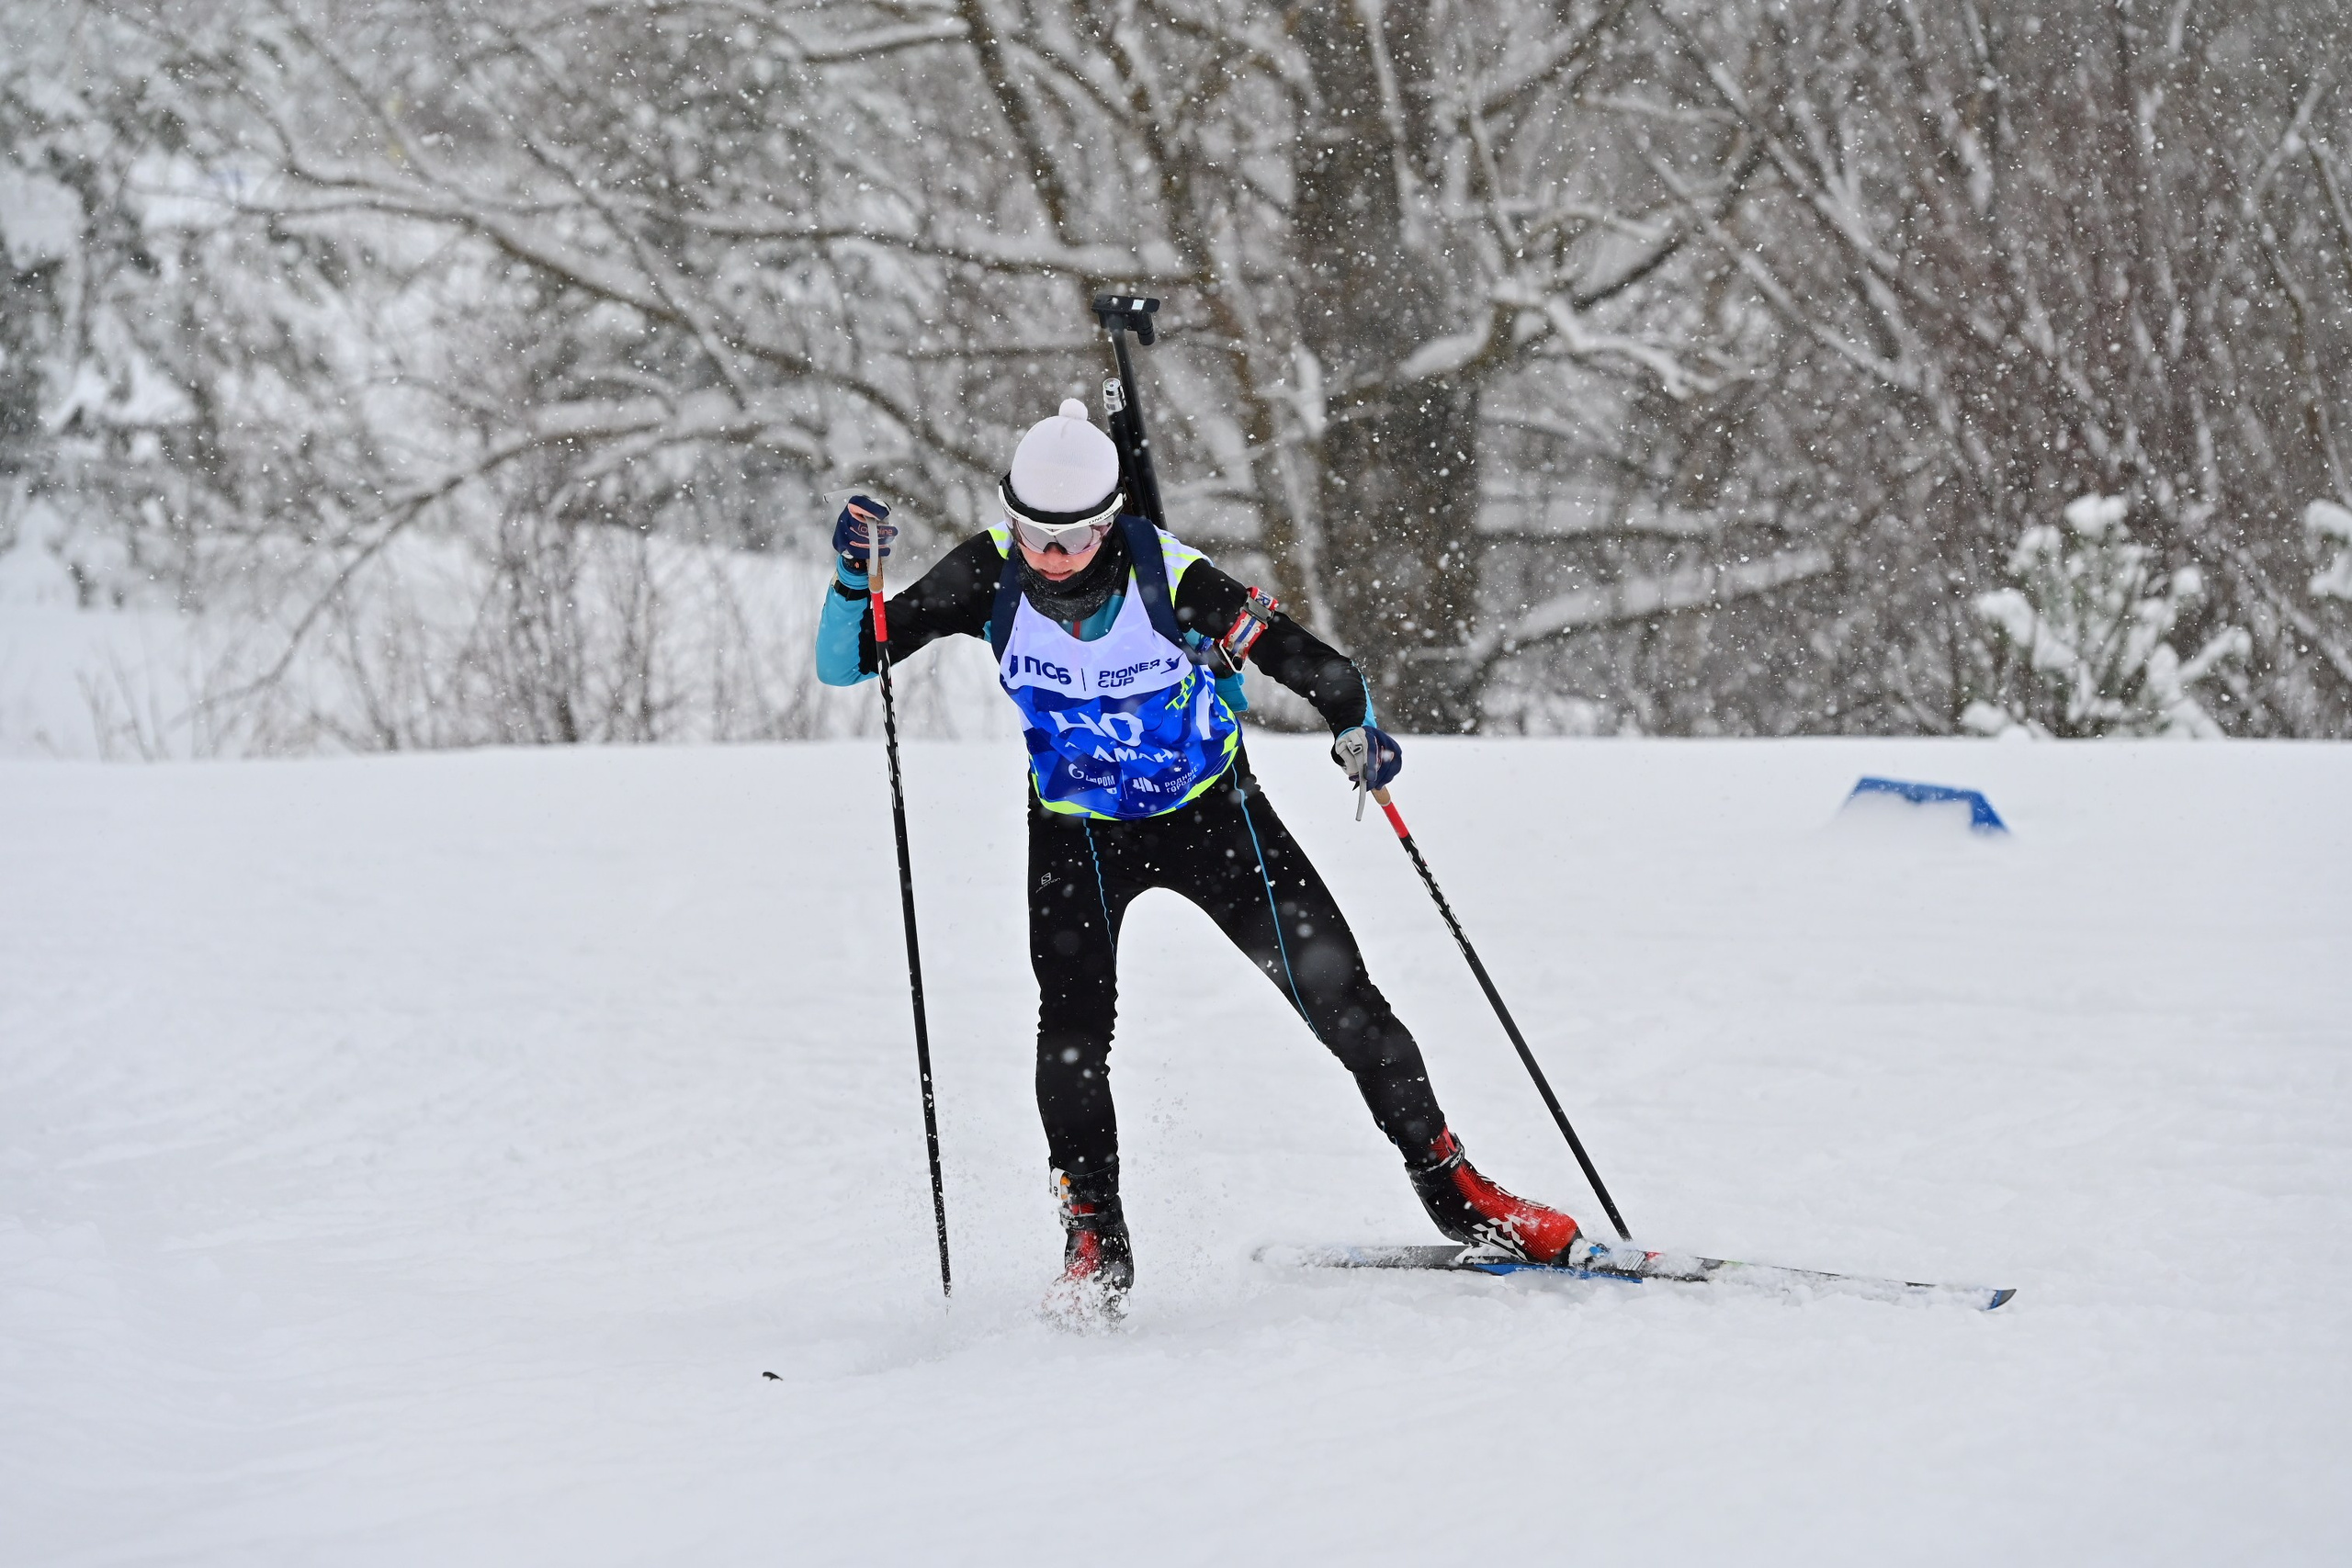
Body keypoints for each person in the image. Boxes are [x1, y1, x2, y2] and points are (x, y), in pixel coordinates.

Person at [817, 399, 1585, 1315]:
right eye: (1032, 534)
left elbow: (1318, 667)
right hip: (1079, 835)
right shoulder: (987, 575)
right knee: (1069, 1034)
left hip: (1213, 819)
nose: (1050, 557)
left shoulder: (1171, 580)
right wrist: (848, 579)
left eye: (1072, 538)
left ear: (1109, 521)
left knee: (1345, 1002)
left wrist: (1356, 732)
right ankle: (1094, 1237)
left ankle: (1457, 1195)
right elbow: (852, 660)